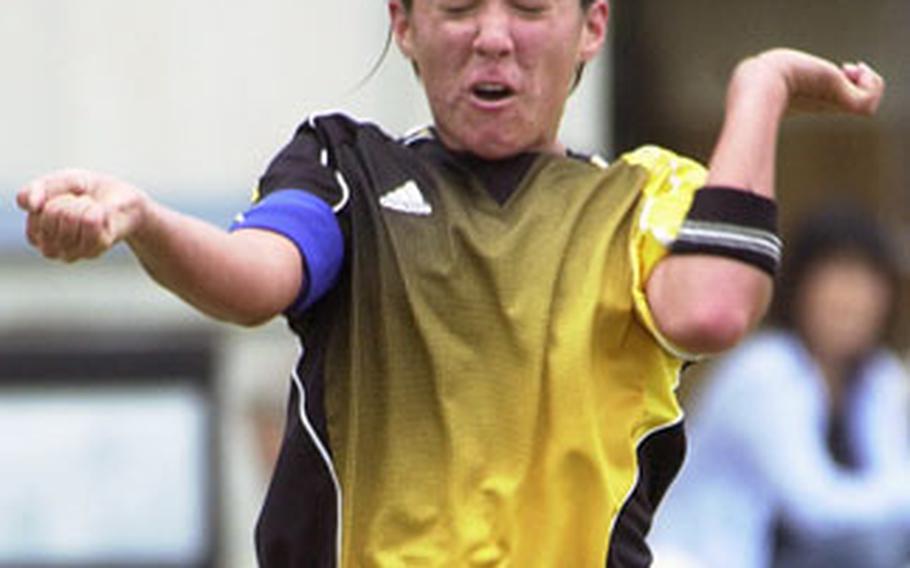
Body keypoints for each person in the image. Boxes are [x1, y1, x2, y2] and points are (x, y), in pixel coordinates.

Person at [16, 0, 885, 565]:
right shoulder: (343, 166)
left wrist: (759, 90)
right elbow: (256, 279)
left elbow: (715, 307)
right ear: (404, 24)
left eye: (530, 8)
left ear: (592, 27)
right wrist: (148, 221)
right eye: (459, 7)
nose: (493, 35)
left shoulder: (646, 199)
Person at [649, 208, 910, 568]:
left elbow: (888, 492)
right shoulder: (766, 370)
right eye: (837, 281)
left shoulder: (878, 377)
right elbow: (815, 505)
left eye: (867, 284)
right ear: (800, 289)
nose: (852, 300)